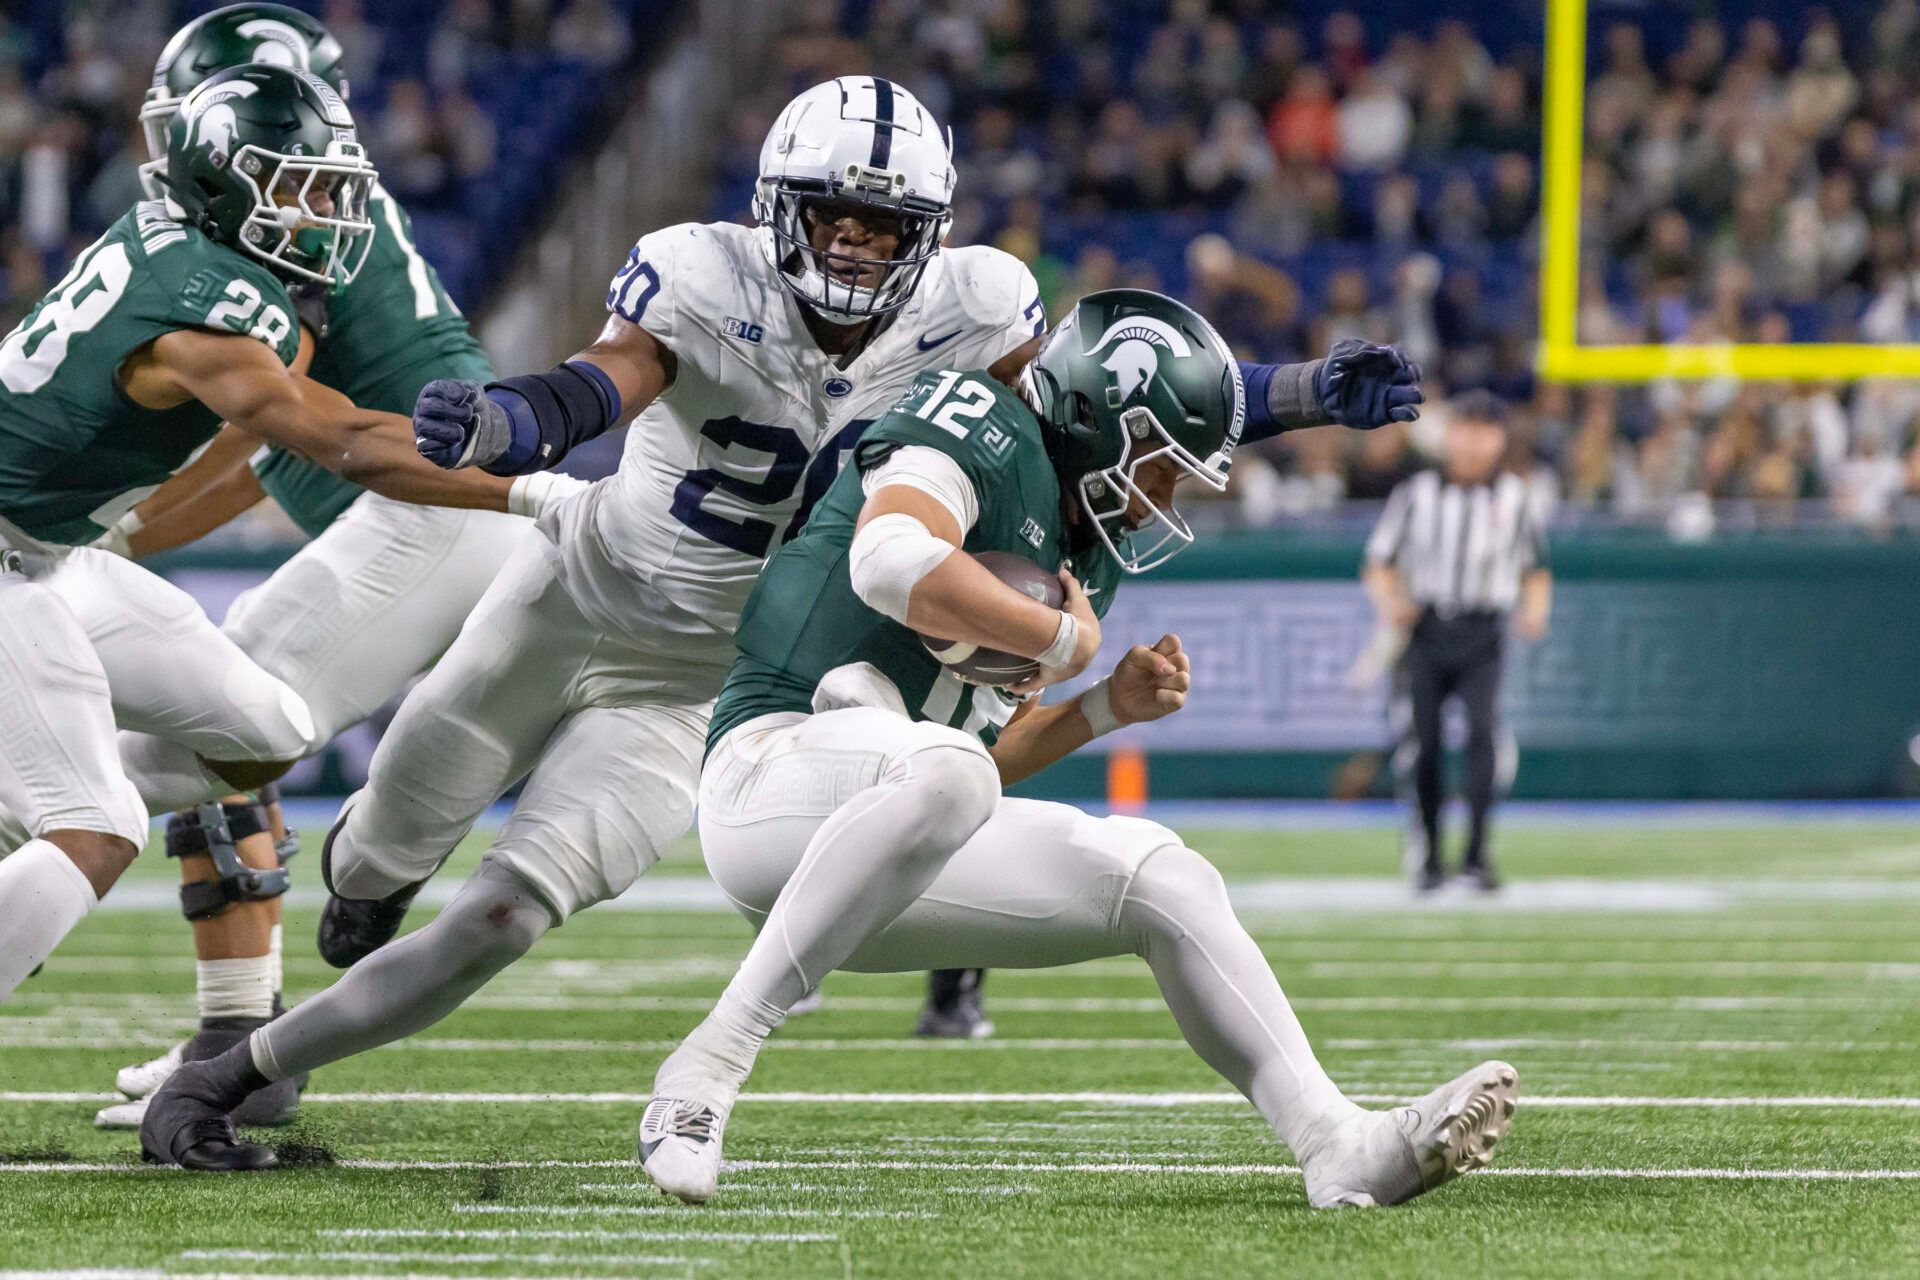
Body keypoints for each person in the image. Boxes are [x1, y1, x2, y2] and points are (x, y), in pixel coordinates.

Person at [139, 80, 1425, 1173]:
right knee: (378, 848)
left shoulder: (978, 310)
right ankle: (365, 891)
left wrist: (1287, 395)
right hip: (580, 586)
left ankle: (261, 1060)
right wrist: (515, 419)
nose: (860, 249)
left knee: (506, 917)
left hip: (708, 681)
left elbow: (1109, 395)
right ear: (779, 210)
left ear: (930, 234)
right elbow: (609, 381)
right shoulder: (702, 274)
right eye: (838, 219)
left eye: (887, 226)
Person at [619, 288, 1510, 1207]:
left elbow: (967, 775)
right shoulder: (978, 422)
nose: (1168, 495)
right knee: (941, 762)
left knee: (1164, 876)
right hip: (770, 776)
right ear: (1101, 431)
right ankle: (708, 1064)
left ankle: (1338, 1145)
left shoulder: (1085, 549)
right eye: (1161, 467)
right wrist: (1061, 646)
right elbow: (886, 560)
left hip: (883, 840)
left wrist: (1099, 710)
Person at [72, 4, 573, 1133]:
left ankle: (198, 993)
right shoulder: (314, 195)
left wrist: (102, 521)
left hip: (424, 511)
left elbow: (269, 427)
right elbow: (262, 453)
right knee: (201, 732)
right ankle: (235, 1035)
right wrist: (121, 525)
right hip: (409, 515)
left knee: (154, 747)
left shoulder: (275, 203)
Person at [0, 63, 514, 1010]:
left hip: (48, 557)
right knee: (96, 826)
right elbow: (348, 443)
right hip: (8, 560)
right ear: (224, 181)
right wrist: (535, 485)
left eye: (327, 189)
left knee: (265, 726)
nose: (322, 214)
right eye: (299, 186)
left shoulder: (178, 244)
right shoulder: (209, 312)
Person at [1363, 390, 1551, 893]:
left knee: (1483, 739)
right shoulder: (1417, 493)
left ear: (1499, 440)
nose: (1472, 443)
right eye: (1465, 430)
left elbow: (1535, 569)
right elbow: (1378, 562)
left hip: (1483, 632)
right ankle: (1427, 852)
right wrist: (1392, 605)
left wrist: (1534, 611)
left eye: (1484, 432)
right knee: (1423, 745)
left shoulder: (1514, 497)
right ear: (1449, 437)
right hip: (1426, 630)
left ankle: (1476, 852)